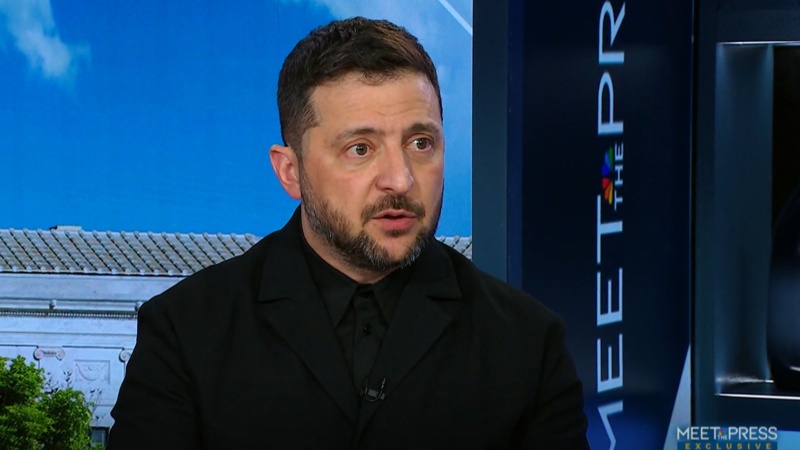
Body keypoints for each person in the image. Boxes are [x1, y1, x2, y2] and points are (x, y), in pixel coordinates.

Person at [107, 17, 589, 449]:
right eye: (361, 148)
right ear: (290, 171)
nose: (400, 179)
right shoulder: (185, 333)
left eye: (421, 143)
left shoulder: (528, 343)